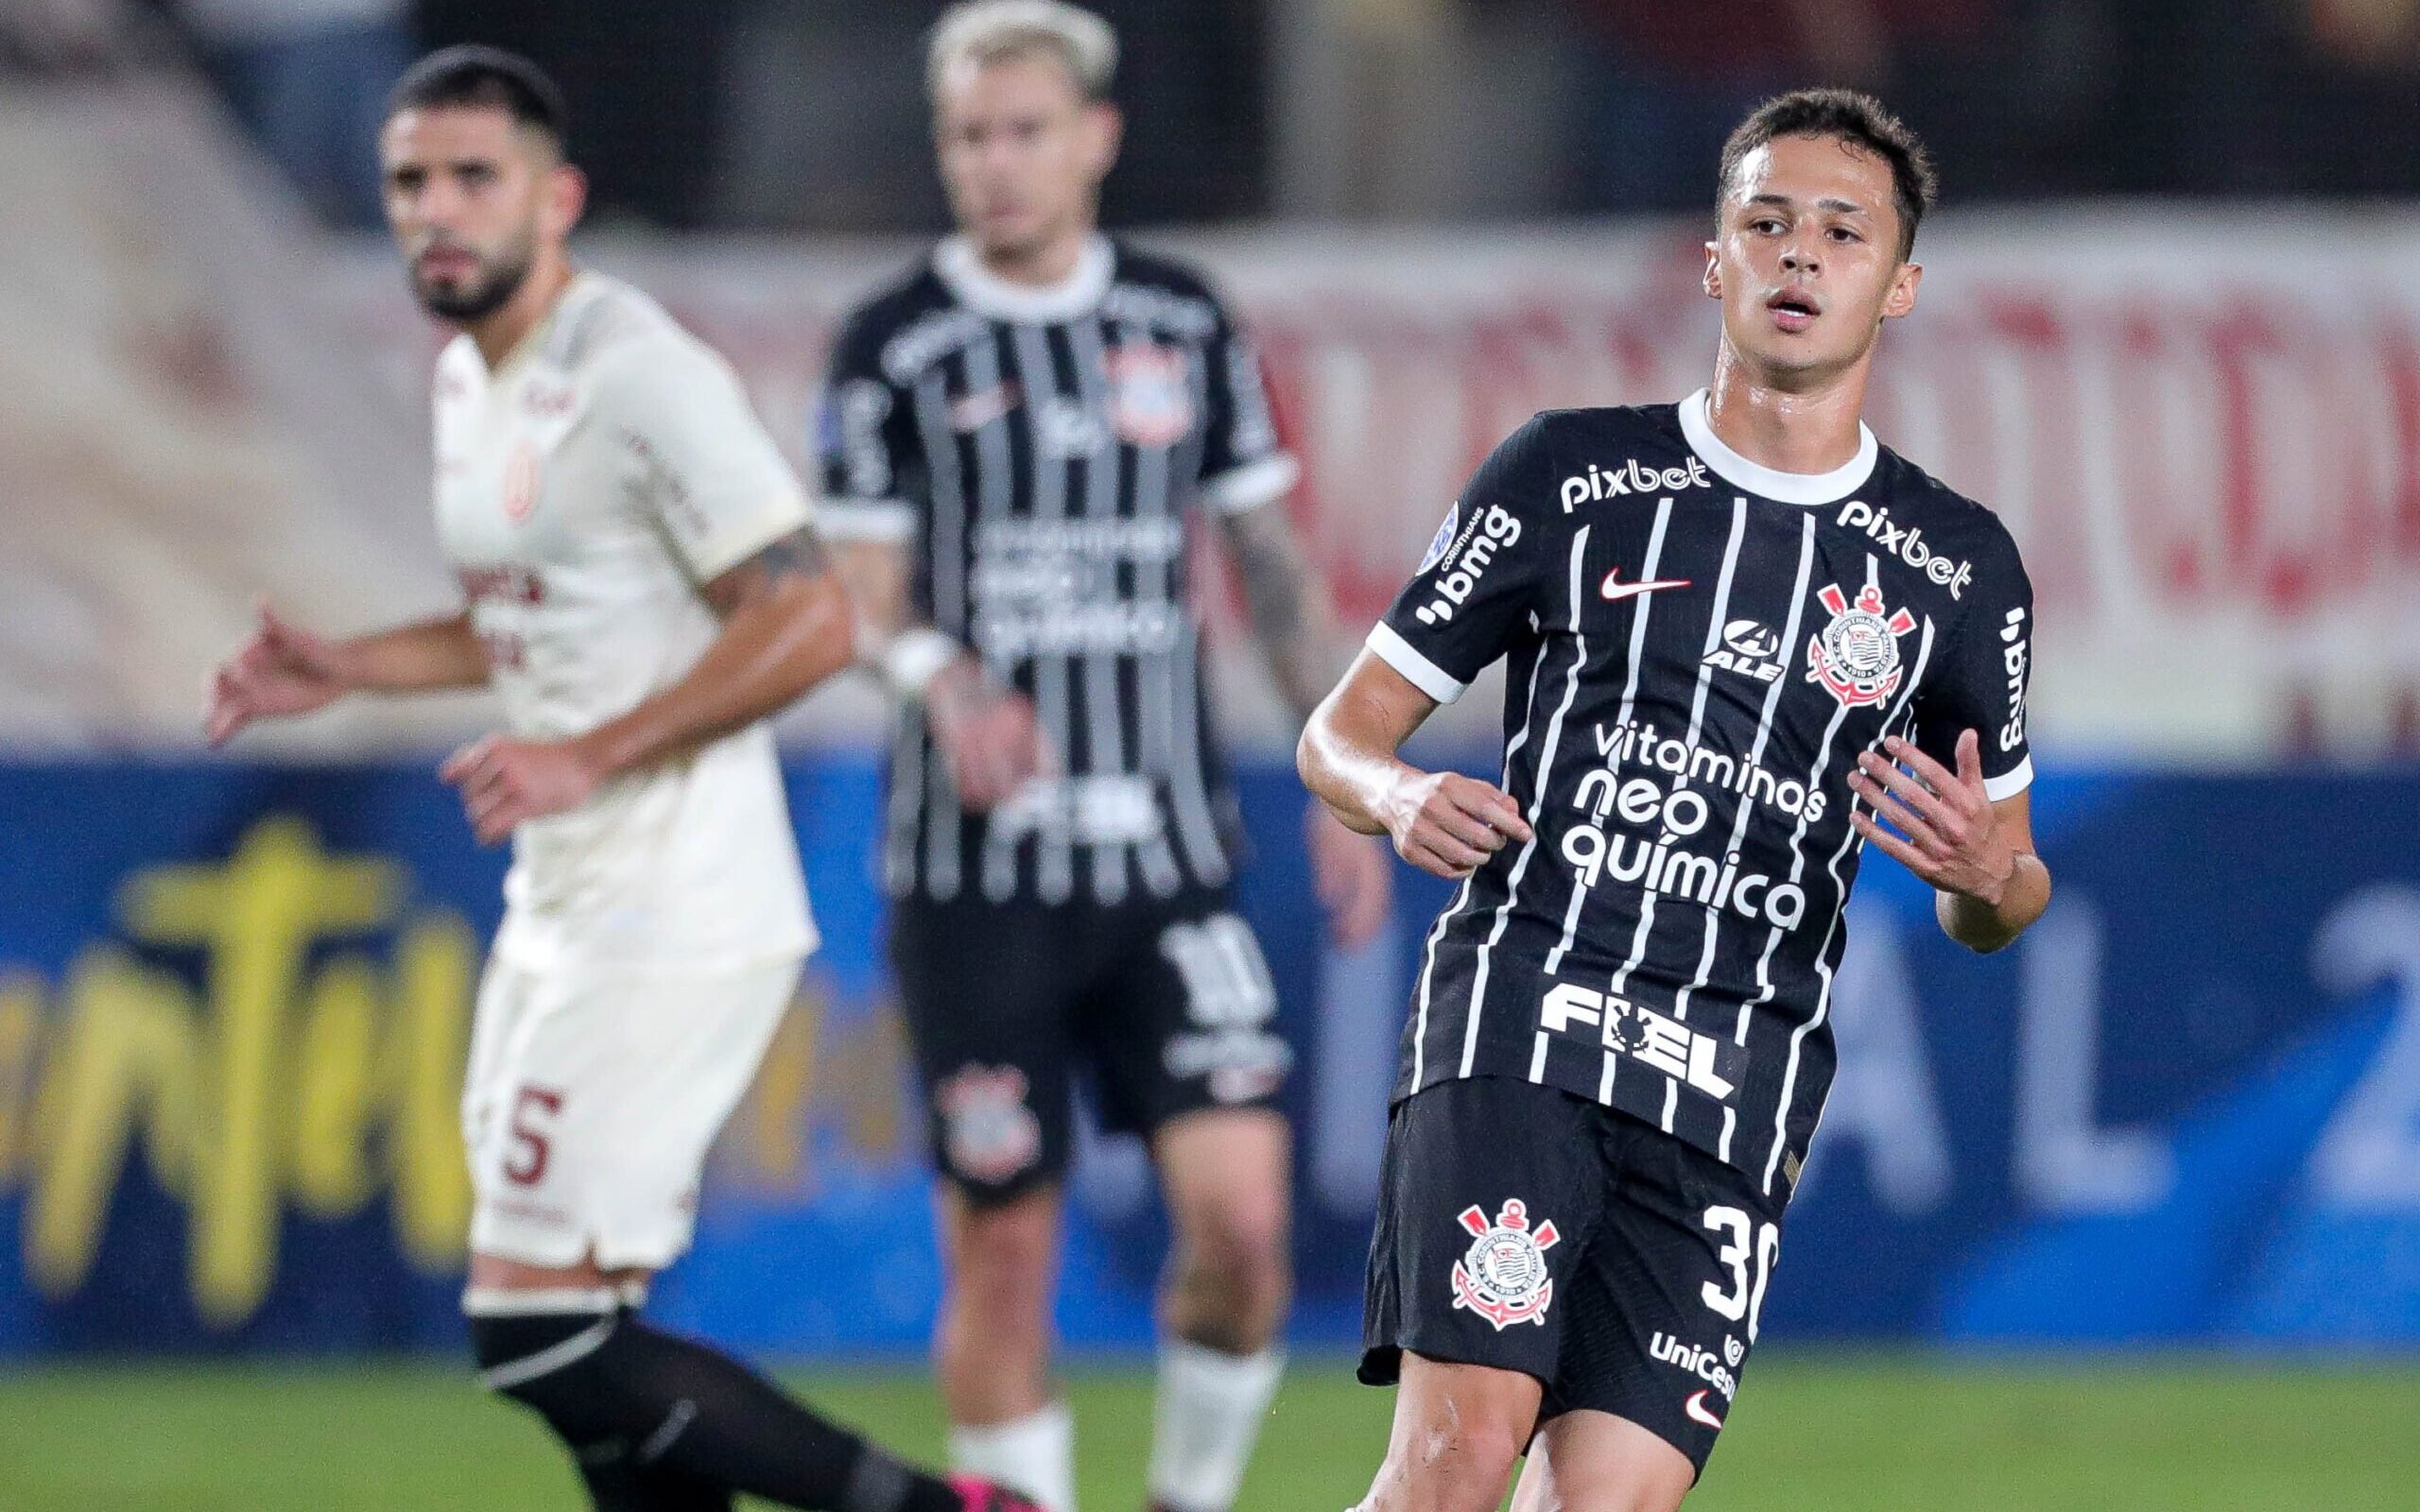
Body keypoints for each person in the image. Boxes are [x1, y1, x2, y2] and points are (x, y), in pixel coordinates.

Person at [202, 44, 1042, 1512]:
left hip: (673, 903)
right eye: (411, 181)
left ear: (559, 196)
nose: (435, 211)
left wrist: (587, 754)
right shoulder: (476, 379)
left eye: (475, 178)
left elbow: (808, 614)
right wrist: (349, 665)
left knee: (528, 1329)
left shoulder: (635, 373)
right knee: (592, 1352)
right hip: (569, 902)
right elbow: (539, 620)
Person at [1300, 89, 2052, 1512]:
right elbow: (1339, 734)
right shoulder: (1570, 476)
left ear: (1898, 284)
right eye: (1764, 222)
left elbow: (2002, 893)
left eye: (1841, 230)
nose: (1798, 254)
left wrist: (1986, 877)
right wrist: (1393, 797)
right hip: (1531, 1009)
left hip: (1732, 1084)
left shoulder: (1958, 569)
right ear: (1714, 258)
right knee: (1457, 1463)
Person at [814, 5, 1394, 1510]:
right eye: (967, 137)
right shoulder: (894, 344)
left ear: (1095, 140)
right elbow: (862, 591)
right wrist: (942, 674)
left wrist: (1346, 768)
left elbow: (1269, 566)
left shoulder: (1186, 322)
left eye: (1023, 132)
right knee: (1002, 1248)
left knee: (1246, 1232)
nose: (994, 165)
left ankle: (1184, 1504)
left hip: (1169, 867)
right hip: (975, 876)